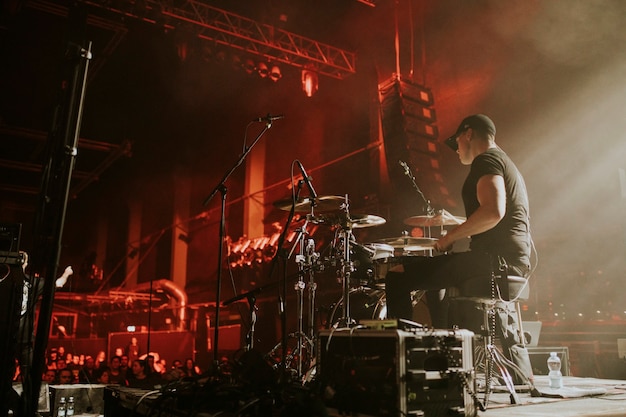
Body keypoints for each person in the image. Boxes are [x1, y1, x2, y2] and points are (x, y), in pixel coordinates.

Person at [385, 114, 533, 382]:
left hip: (493, 261)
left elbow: (493, 211)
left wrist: (449, 237)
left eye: (456, 143)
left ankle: (402, 365)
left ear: (468, 134)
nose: (455, 151)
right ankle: (445, 360)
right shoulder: (505, 162)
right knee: (440, 277)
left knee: (397, 274)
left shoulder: (486, 160)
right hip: (510, 261)